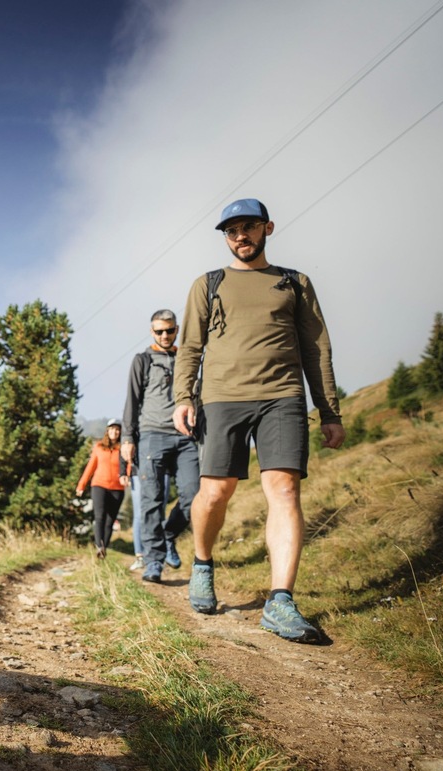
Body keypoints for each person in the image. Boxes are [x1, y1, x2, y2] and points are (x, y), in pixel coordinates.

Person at [172, 198, 344, 643]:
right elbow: (190, 347)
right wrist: (183, 399)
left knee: (284, 487)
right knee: (215, 492)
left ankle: (280, 601)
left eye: (248, 227)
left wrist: (329, 411)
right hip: (222, 398)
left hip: (282, 397)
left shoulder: (293, 282)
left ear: (268, 228)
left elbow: (316, 349)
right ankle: (203, 564)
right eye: (231, 231)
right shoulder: (208, 284)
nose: (240, 236)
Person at [122, 310, 200, 584]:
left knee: (194, 495)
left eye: (169, 330)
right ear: (152, 331)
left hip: (186, 436)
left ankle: (169, 534)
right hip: (151, 435)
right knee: (151, 500)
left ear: (177, 329)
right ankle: (154, 561)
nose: (165, 335)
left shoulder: (187, 358)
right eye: (159, 331)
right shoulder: (142, 360)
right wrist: (127, 439)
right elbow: (131, 400)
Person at [75, 420, 126, 559]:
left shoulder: (123, 448)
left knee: (110, 521)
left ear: (120, 432)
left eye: (117, 430)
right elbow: (90, 467)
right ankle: (99, 546)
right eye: (112, 429)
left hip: (117, 488)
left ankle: (104, 549)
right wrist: (81, 485)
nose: (114, 432)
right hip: (99, 485)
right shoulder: (99, 447)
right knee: (99, 516)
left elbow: (127, 466)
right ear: (107, 431)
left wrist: (127, 477)